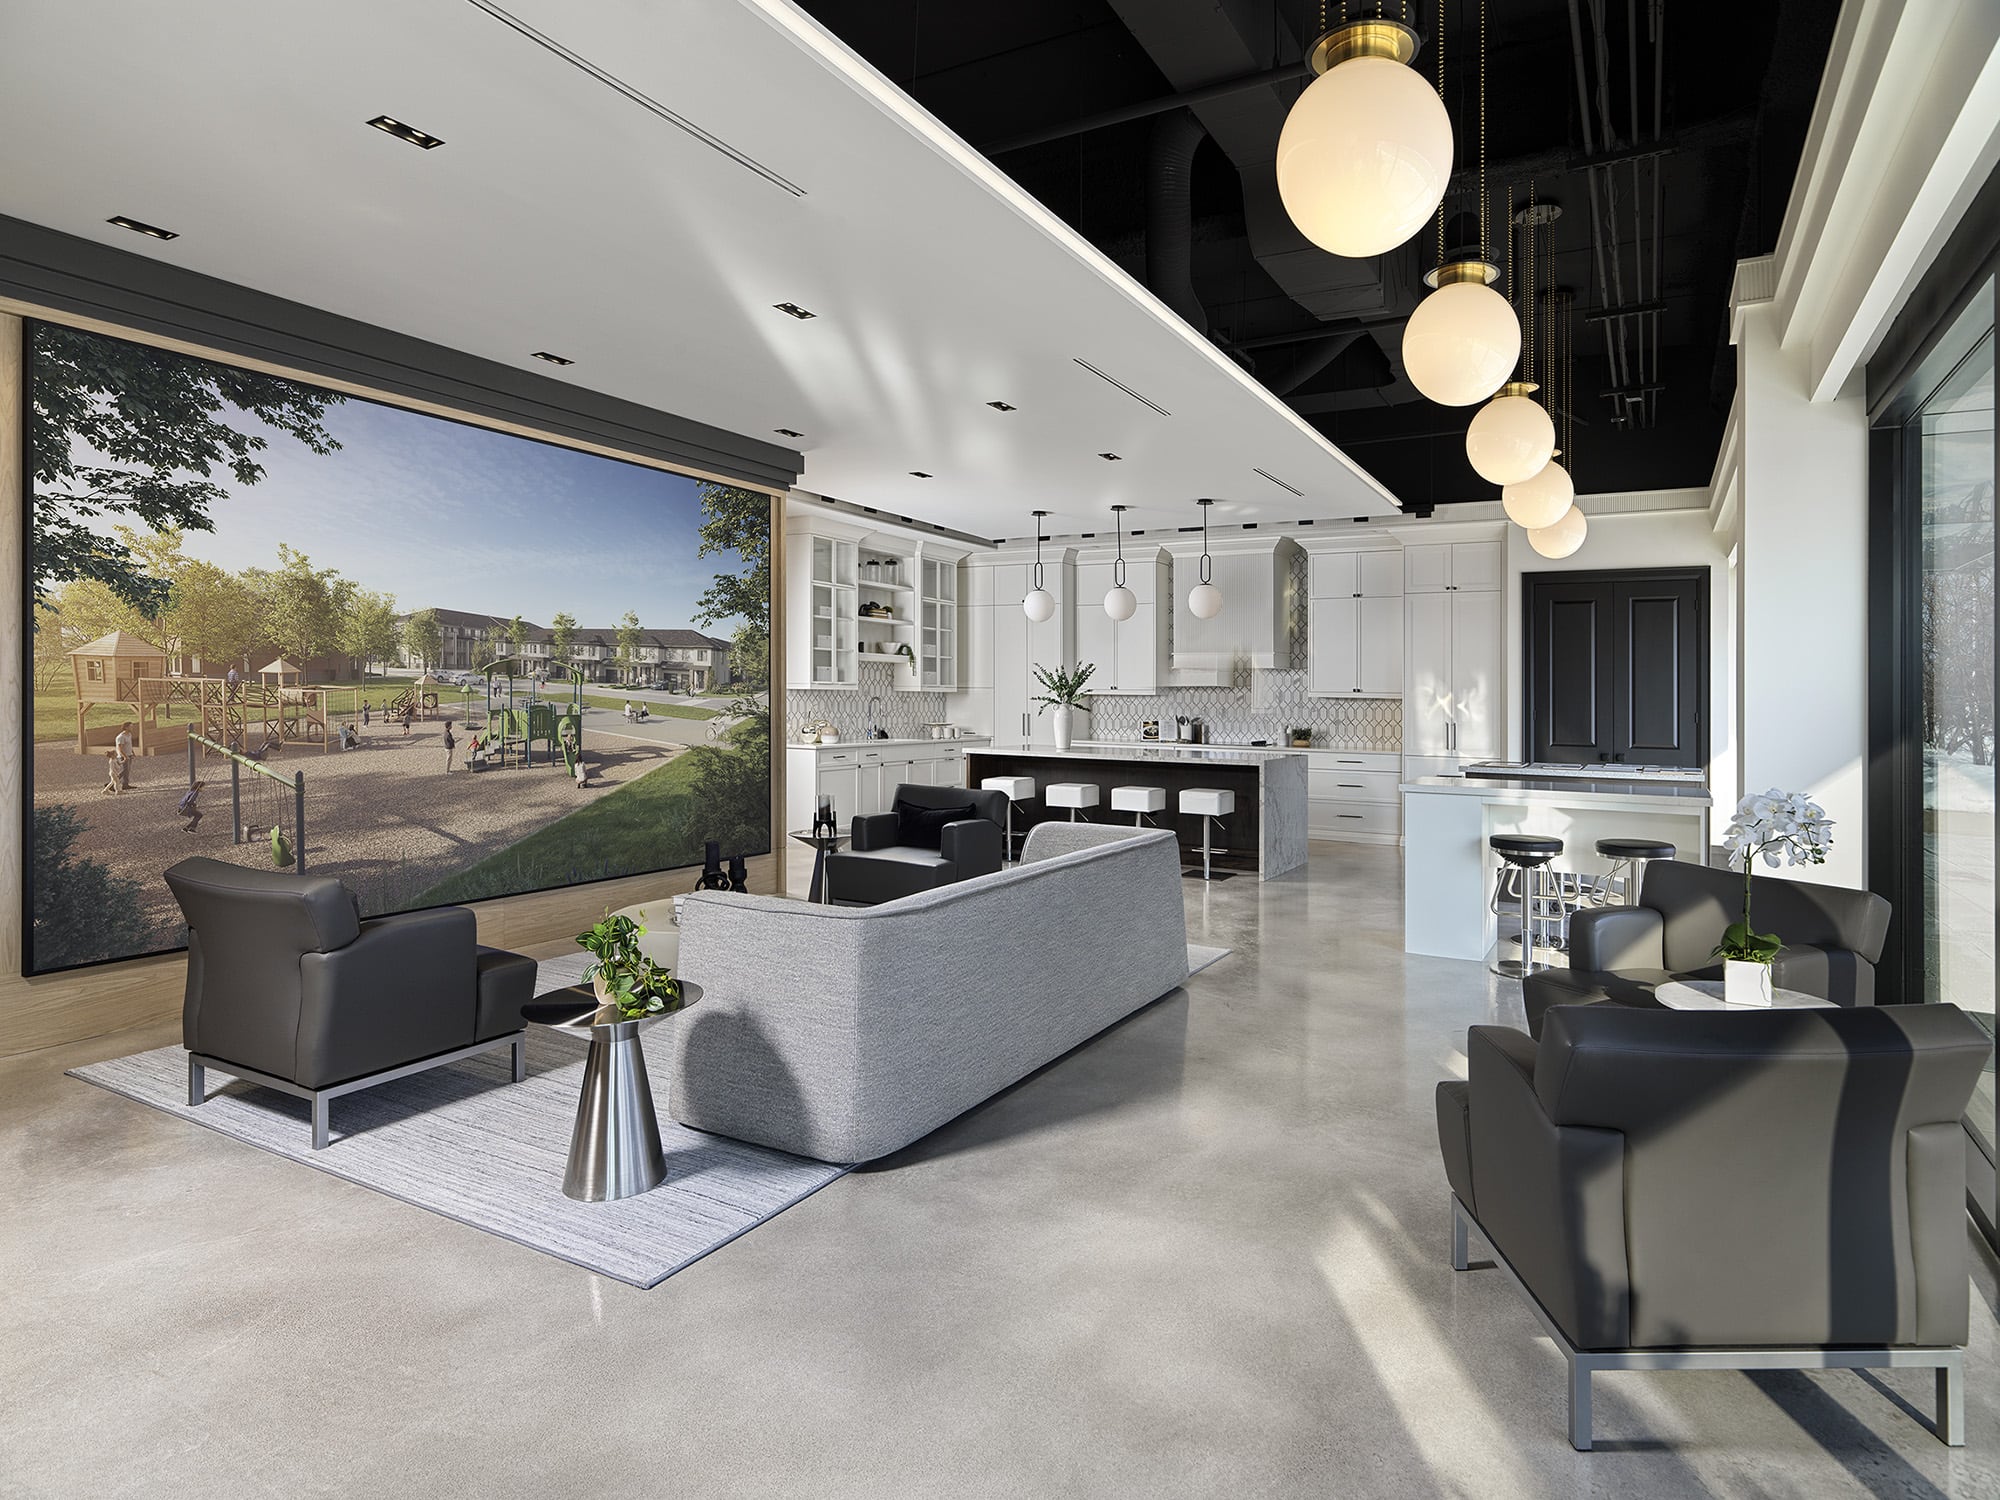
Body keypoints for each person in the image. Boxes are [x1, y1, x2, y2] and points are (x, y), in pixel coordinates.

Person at [112, 723, 135, 791]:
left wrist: (132, 752)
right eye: (131, 727)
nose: (132, 728)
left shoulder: (129, 735)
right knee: (124, 770)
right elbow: (120, 748)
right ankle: (112, 783)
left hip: (129, 755)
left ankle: (125, 784)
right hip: (123, 756)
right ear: (126, 727)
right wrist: (125, 757)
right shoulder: (121, 737)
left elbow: (129, 745)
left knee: (127, 771)